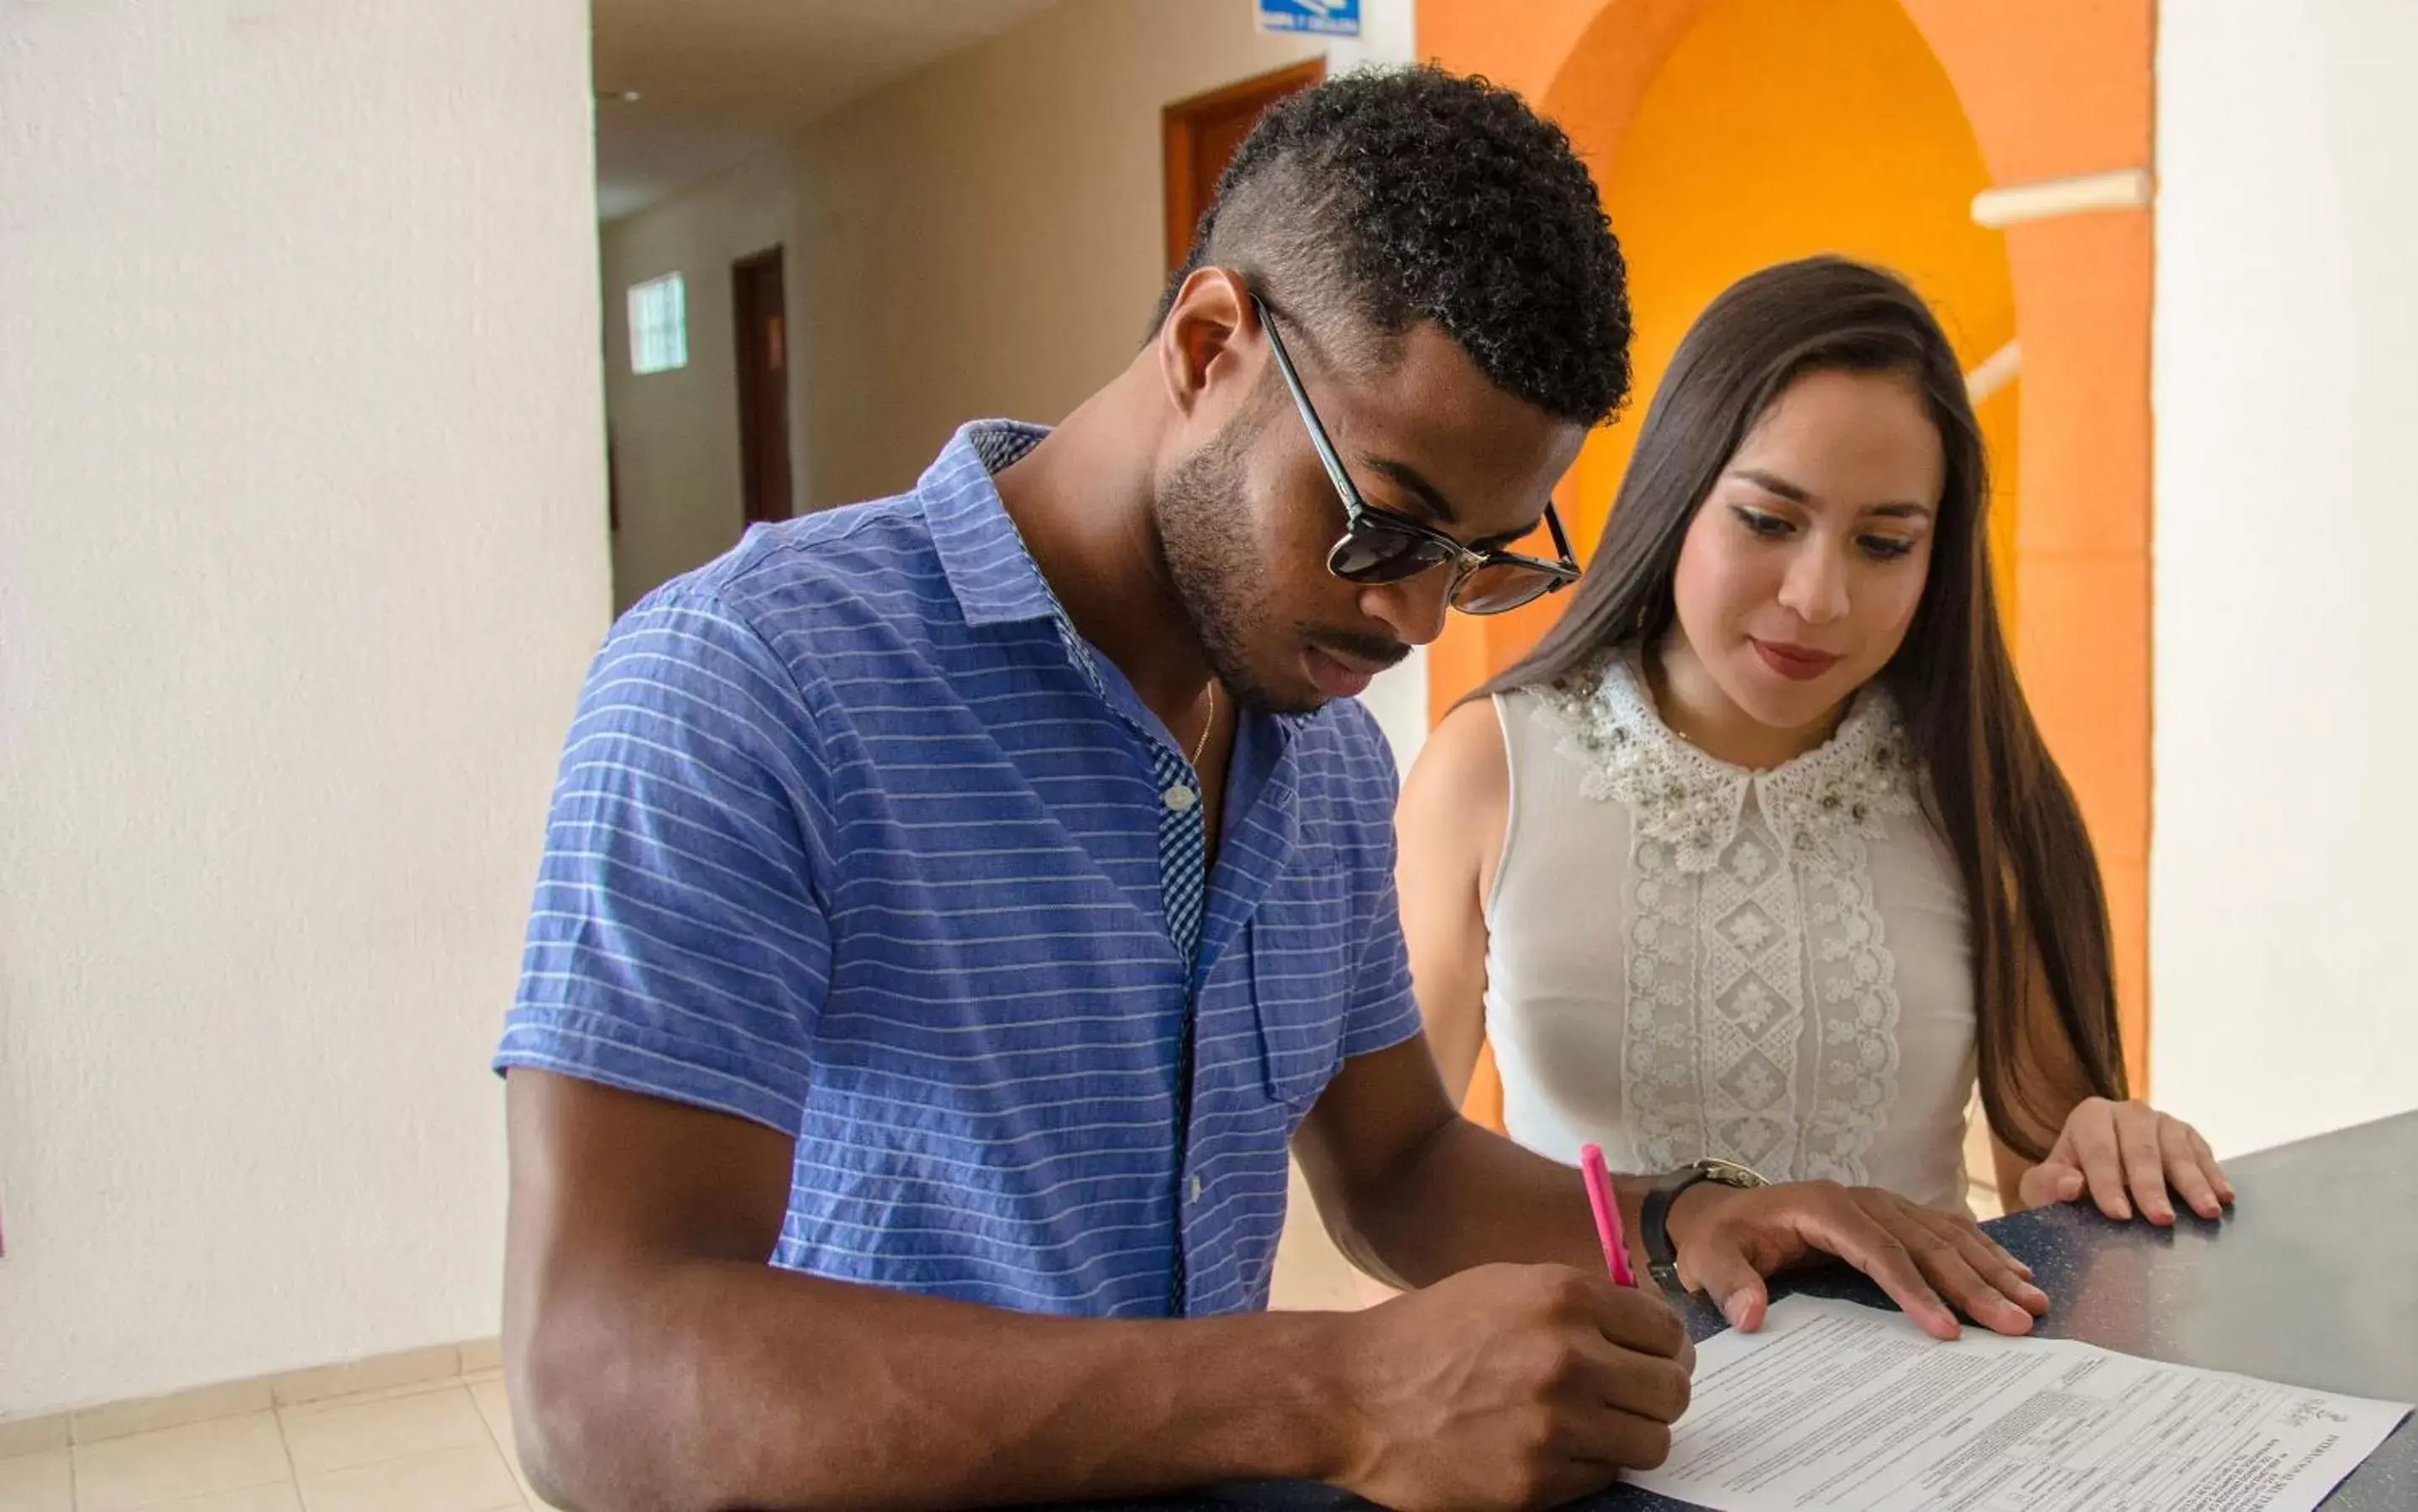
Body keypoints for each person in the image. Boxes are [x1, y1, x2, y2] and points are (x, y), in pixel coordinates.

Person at [497, 79, 2042, 1512]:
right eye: (1386, 525)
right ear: (1206, 344)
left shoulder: (1314, 749)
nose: (1413, 623)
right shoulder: (751, 681)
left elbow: (1393, 1167)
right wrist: (1327, 1386)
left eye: (1477, 561)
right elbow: (594, 1372)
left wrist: (1670, 1221)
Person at [1399, 256, 2232, 1269]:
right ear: (1678, 494)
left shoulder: (1978, 794)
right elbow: (1398, 1180)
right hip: (1601, 1398)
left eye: (1884, 543)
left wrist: (2113, 1153)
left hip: (1929, 1392)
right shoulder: (1489, 770)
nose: (1817, 597)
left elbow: (2047, 1196)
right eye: (1767, 521)